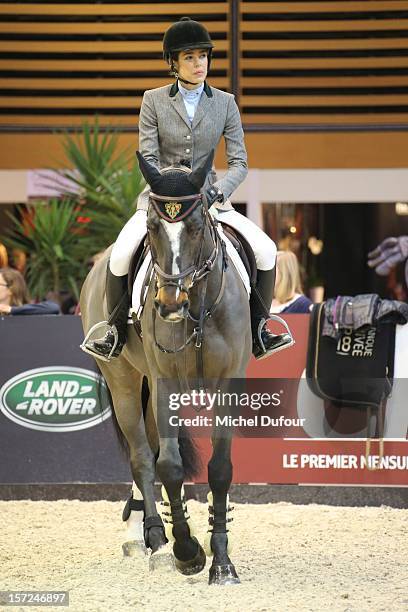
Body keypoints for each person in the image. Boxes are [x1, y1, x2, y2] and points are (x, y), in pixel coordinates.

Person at [85, 17, 292, 361]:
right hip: (164, 201)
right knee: (121, 255)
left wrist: (215, 192)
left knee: (266, 249)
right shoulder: (153, 100)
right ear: (174, 64)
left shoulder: (225, 103)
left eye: (203, 57)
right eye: (190, 58)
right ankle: (115, 331)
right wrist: (170, 186)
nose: (199, 65)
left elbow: (239, 162)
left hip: (210, 200)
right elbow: (148, 156)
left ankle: (259, 330)